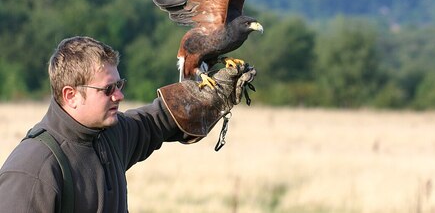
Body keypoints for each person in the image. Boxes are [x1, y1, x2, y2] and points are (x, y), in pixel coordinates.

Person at [0, 36, 255, 213]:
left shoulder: (109, 134)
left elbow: (157, 121)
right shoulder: (33, 170)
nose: (119, 96)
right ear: (71, 95)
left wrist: (207, 98)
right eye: (108, 89)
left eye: (119, 85)